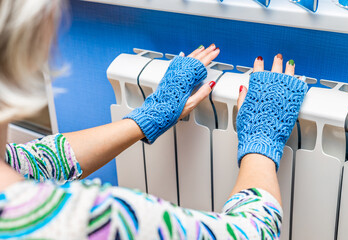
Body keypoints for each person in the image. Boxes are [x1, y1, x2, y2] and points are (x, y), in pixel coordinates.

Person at [0, 0, 307, 239]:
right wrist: (261, 139)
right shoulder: (94, 220)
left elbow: (29, 164)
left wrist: (149, 116)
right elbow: (252, 233)